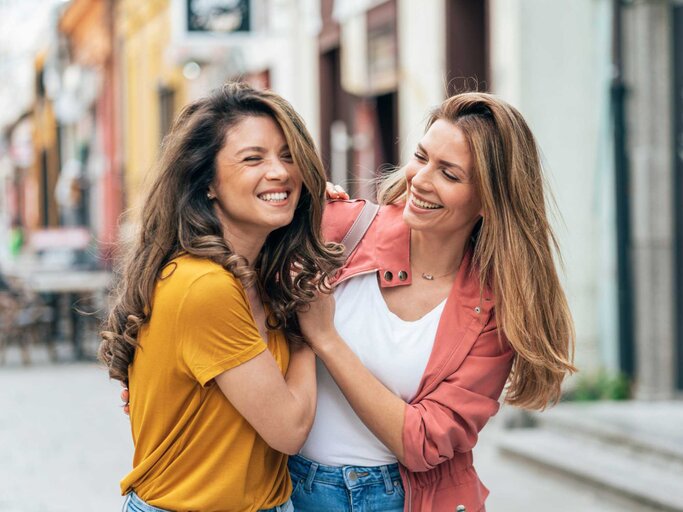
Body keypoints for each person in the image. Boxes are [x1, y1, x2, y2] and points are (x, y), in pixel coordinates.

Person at [290, 91, 577, 512]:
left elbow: (423, 441)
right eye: (421, 157)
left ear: (488, 201)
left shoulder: (493, 310)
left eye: (450, 174)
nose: (420, 180)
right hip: (291, 490)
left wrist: (327, 341)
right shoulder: (340, 227)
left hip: (402, 499)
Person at [99, 82, 342, 512]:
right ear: (208, 182)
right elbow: (287, 429)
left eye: (289, 156)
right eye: (254, 158)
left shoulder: (254, 274)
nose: (280, 172)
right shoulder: (203, 285)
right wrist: (312, 335)